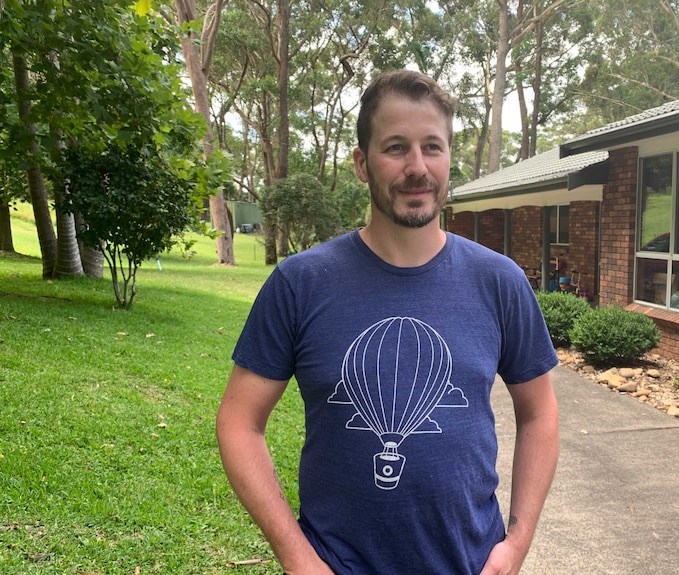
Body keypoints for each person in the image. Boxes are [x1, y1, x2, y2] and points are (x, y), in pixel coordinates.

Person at [216, 69, 560, 575]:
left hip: (471, 562)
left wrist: (518, 541)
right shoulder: (300, 282)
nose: (417, 167)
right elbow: (239, 422)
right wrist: (296, 557)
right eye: (396, 148)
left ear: (449, 158)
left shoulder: (499, 281)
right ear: (362, 163)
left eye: (433, 147)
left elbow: (539, 413)